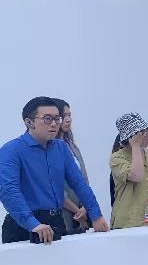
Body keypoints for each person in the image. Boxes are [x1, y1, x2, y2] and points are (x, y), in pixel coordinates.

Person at [0, 97, 109, 244]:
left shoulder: (61, 148)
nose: (54, 124)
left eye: (57, 118)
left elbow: (78, 183)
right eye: (47, 119)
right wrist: (33, 224)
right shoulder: (11, 150)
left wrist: (96, 214)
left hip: (55, 221)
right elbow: (9, 191)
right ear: (29, 122)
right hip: (24, 226)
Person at [109, 113, 148, 229]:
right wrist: (135, 146)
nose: (147, 136)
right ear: (131, 136)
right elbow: (136, 175)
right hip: (128, 222)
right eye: (142, 133)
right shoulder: (117, 158)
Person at [53, 98, 90, 234]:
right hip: (62, 212)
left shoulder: (72, 145)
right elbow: (55, 188)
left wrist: (85, 206)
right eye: (64, 116)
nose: (68, 120)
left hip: (81, 209)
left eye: (69, 115)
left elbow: (84, 180)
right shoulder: (49, 149)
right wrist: (77, 210)